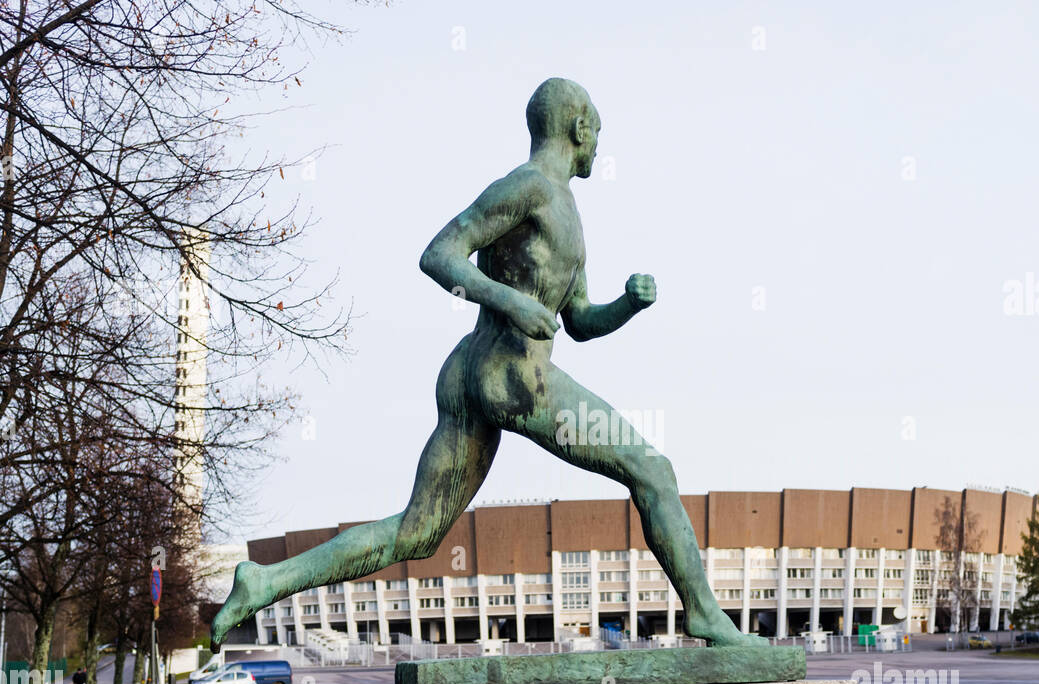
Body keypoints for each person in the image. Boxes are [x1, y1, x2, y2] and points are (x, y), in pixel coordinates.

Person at [210, 78, 763, 651]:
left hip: (472, 375)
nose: (598, 146)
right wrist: (510, 300)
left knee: (415, 534)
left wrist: (627, 305)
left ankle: (266, 580)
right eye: (597, 132)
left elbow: (577, 321)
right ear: (578, 129)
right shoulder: (528, 186)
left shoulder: (567, 213)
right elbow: (440, 253)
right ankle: (702, 613)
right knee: (653, 471)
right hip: (517, 377)